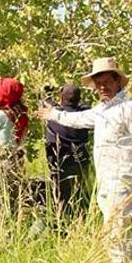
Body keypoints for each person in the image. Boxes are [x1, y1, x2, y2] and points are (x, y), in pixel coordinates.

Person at [37, 57, 132, 263]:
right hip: (106, 182)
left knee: (116, 236)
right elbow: (78, 120)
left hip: (125, 180)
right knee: (121, 229)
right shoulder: (103, 111)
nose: (102, 87)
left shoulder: (131, 108)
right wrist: (53, 114)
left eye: (107, 82)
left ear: (118, 81)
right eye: (99, 84)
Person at [0, 77, 30, 228]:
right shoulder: (22, 115)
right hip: (15, 159)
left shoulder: (1, 115)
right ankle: (12, 230)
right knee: (12, 198)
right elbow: (22, 140)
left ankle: (0, 233)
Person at [44, 83, 91, 222]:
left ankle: (61, 221)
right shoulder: (85, 114)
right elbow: (85, 106)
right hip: (80, 159)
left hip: (60, 160)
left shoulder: (55, 115)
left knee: (61, 195)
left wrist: (48, 95)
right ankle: (81, 221)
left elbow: (47, 104)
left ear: (61, 97)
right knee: (80, 193)